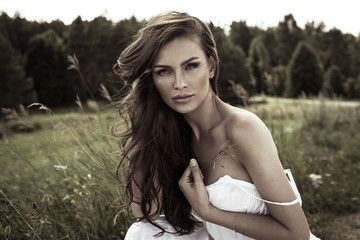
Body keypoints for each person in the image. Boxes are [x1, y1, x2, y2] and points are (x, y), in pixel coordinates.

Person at [114, 11, 320, 240]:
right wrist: (143, 126)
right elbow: (145, 212)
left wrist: (209, 212)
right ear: (151, 79)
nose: (179, 83)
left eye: (191, 66)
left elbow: (298, 234)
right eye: (164, 71)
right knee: (142, 233)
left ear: (211, 66)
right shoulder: (175, 136)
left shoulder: (242, 128)